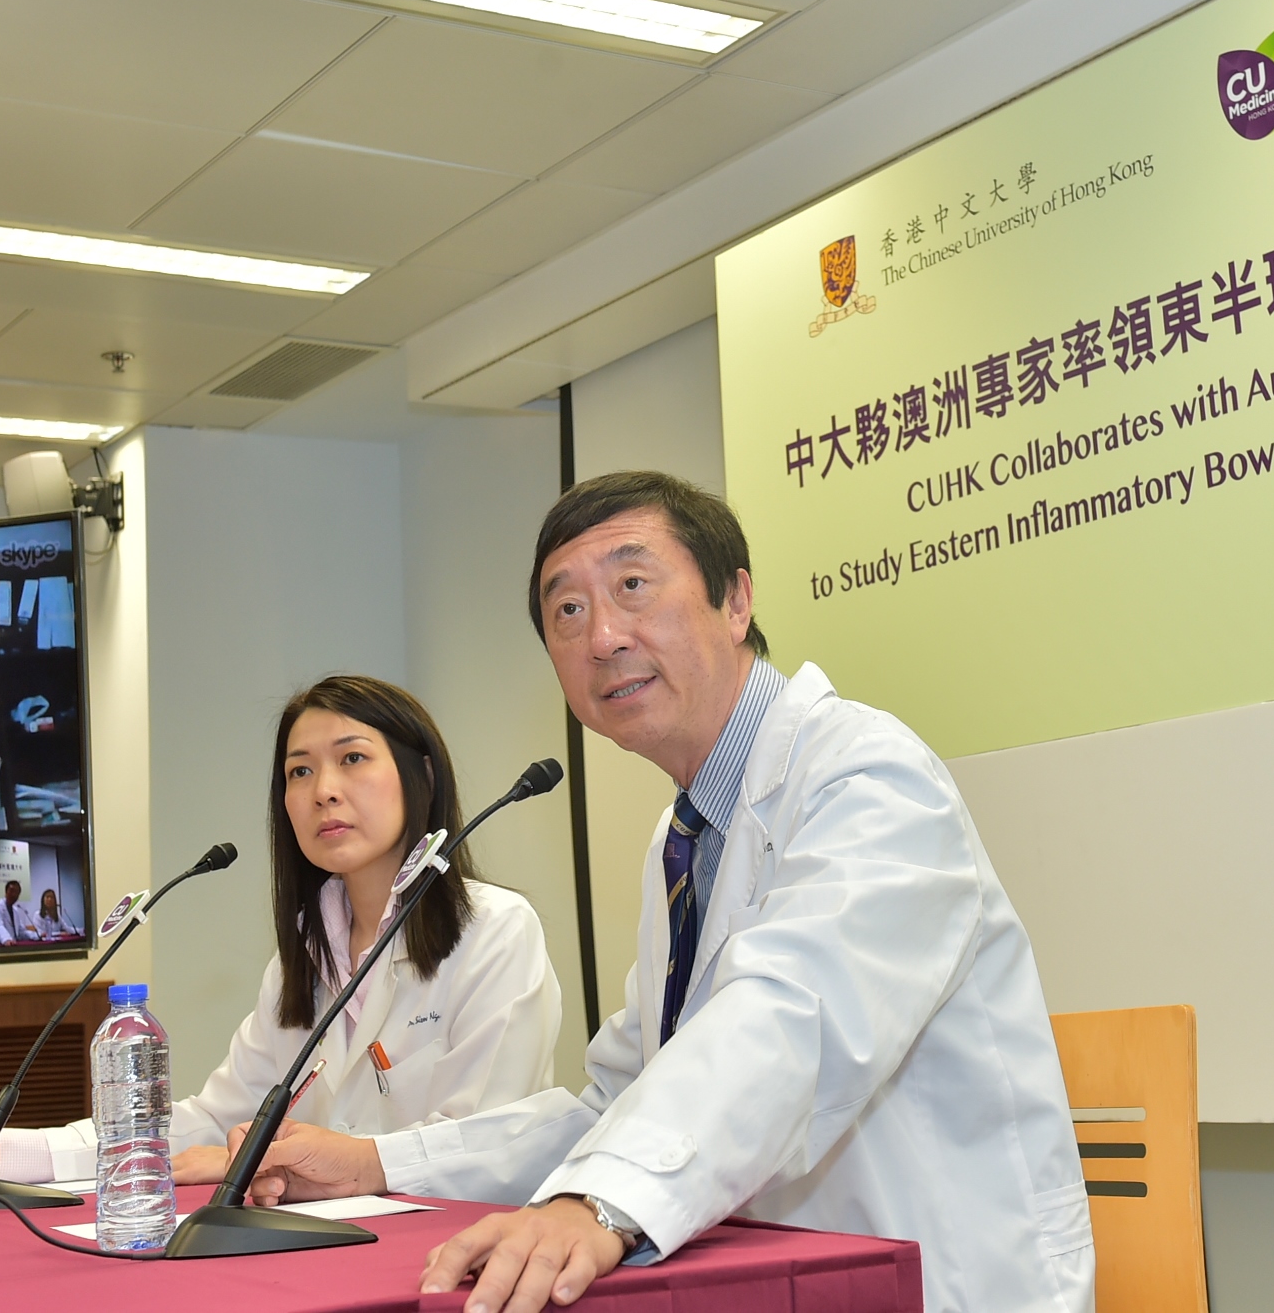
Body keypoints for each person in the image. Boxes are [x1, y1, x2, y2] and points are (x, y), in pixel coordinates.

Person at [241, 473, 1094, 1313]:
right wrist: (376, 1165)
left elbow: (792, 1017)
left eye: (634, 586)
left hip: (943, 1280)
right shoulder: (683, 835)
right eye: (566, 612)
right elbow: (619, 1101)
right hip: (785, 1278)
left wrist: (602, 1203)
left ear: (736, 601)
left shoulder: (866, 773)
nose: (604, 635)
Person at [0, 674, 562, 1190]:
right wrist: (4, 1151)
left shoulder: (496, 933)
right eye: (299, 771)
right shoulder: (302, 959)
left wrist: (349, 1161)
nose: (323, 789)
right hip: (324, 1257)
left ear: (421, 777)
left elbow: (488, 1146)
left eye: (352, 758)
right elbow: (210, 1122)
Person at [0, 879, 40, 946]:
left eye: (16, 892)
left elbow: (21, 932)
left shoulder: (15, 911)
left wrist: (37, 935)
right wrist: (6, 939)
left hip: (12, 946)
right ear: (6, 892)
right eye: (11, 891)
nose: (13, 895)